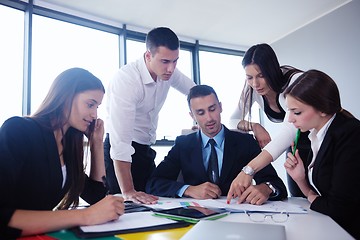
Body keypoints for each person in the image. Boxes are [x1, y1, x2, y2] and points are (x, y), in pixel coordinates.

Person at [0, 68, 125, 239]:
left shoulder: (68, 145)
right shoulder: (19, 130)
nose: (94, 114)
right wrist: (85, 216)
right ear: (66, 97)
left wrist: (96, 143)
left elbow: (95, 197)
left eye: (97, 107)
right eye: (90, 104)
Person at [146, 85, 287, 204]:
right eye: (200, 113)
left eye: (212, 109)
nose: (209, 118)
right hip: (196, 217)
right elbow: (153, 183)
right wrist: (188, 190)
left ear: (220, 107)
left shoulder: (246, 142)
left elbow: (277, 184)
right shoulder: (183, 145)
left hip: (237, 216)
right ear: (192, 116)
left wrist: (266, 188)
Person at [104, 27, 196, 204]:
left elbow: (194, 92)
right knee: (127, 205)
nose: (171, 68)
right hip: (121, 153)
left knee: (154, 201)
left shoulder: (168, 72)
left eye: (175, 61)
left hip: (145, 148)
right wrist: (128, 191)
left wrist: (201, 117)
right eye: (165, 61)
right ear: (148, 56)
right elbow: (121, 143)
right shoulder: (127, 80)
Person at [283, 70, 360, 239]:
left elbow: (338, 208)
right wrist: (300, 179)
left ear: (323, 109)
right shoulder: (316, 135)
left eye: (296, 112)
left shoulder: (351, 134)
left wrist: (311, 196)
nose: (290, 119)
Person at [229, 43, 311, 197]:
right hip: (295, 148)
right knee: (299, 199)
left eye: (261, 75)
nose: (255, 84)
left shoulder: (295, 81)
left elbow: (289, 130)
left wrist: (249, 169)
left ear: (272, 70)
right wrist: (254, 126)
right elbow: (232, 120)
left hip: (319, 142)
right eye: (249, 77)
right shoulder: (252, 89)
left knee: (327, 201)